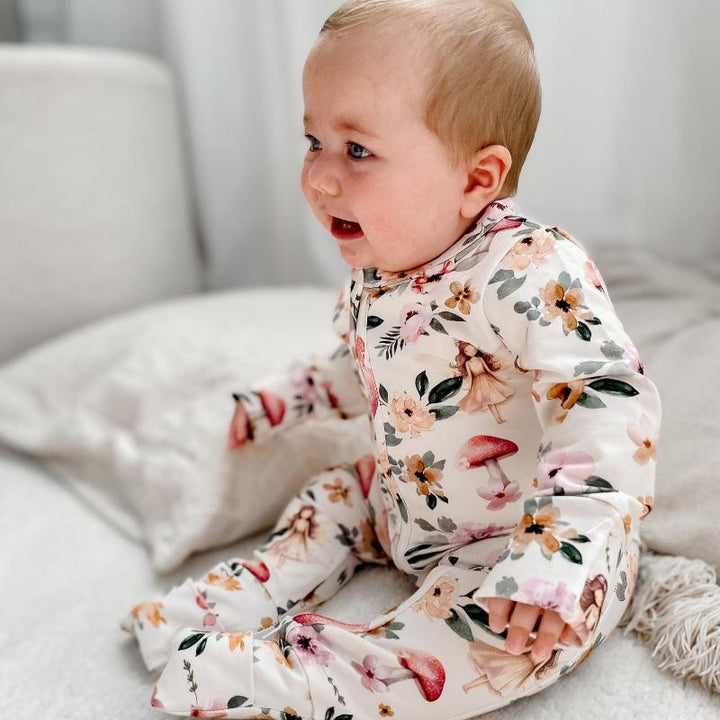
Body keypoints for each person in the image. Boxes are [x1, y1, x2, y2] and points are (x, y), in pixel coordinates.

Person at [122, 1, 661, 717]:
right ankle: (213, 607)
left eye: (358, 150)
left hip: (517, 551)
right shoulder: (382, 269)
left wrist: (559, 559)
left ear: (476, 180)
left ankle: (277, 676)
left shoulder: (529, 267)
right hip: (403, 505)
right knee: (334, 494)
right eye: (313, 140)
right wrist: (285, 398)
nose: (319, 177)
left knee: (484, 656)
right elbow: (363, 363)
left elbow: (604, 399)